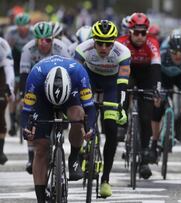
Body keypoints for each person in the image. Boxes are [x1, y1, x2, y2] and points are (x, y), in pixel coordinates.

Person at [21, 55, 96, 203]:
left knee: (78, 115)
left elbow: (89, 107)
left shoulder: (79, 73)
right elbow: (26, 110)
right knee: (41, 148)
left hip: (71, 96)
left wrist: (90, 128)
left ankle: (74, 157)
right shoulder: (35, 75)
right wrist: (26, 129)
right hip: (42, 99)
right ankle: (41, 198)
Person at [74, 19, 130, 198]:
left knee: (112, 129)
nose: (104, 47)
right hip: (89, 79)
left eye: (108, 43)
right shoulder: (83, 49)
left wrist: (121, 105)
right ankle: (83, 147)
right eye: (99, 43)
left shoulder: (123, 52)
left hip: (111, 85)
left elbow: (122, 83)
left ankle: (105, 179)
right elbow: (75, 76)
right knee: (82, 114)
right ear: (93, 40)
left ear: (114, 41)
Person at [19, 21, 71, 175]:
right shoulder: (28, 49)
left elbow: (72, 73)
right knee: (32, 118)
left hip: (59, 84)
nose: (43, 43)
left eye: (48, 40)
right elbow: (24, 76)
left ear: (53, 39)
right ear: (35, 39)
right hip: (37, 85)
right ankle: (31, 155)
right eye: (40, 39)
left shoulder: (61, 48)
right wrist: (25, 97)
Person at [117, 12, 161, 180]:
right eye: (136, 32)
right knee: (124, 86)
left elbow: (156, 69)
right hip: (127, 72)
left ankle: (143, 159)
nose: (140, 36)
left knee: (145, 116)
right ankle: (123, 122)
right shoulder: (121, 43)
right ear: (129, 31)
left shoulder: (152, 43)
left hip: (146, 75)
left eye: (144, 32)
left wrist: (156, 89)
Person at [150, 29, 181, 161]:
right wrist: (157, 91)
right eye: (174, 52)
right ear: (169, 49)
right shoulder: (161, 54)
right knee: (157, 106)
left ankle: (179, 121)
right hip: (164, 77)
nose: (178, 56)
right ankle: (154, 143)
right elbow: (155, 76)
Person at [4, 12, 34, 137]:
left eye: (24, 25)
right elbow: (7, 51)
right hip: (15, 60)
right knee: (13, 89)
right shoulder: (11, 33)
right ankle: (12, 121)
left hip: (29, 59)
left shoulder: (33, 33)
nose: (22, 28)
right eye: (19, 25)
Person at [0, 37, 15, 165]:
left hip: (1, 71)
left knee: (1, 108)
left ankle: (0, 150)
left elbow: (9, 70)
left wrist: (9, 88)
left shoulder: (3, 45)